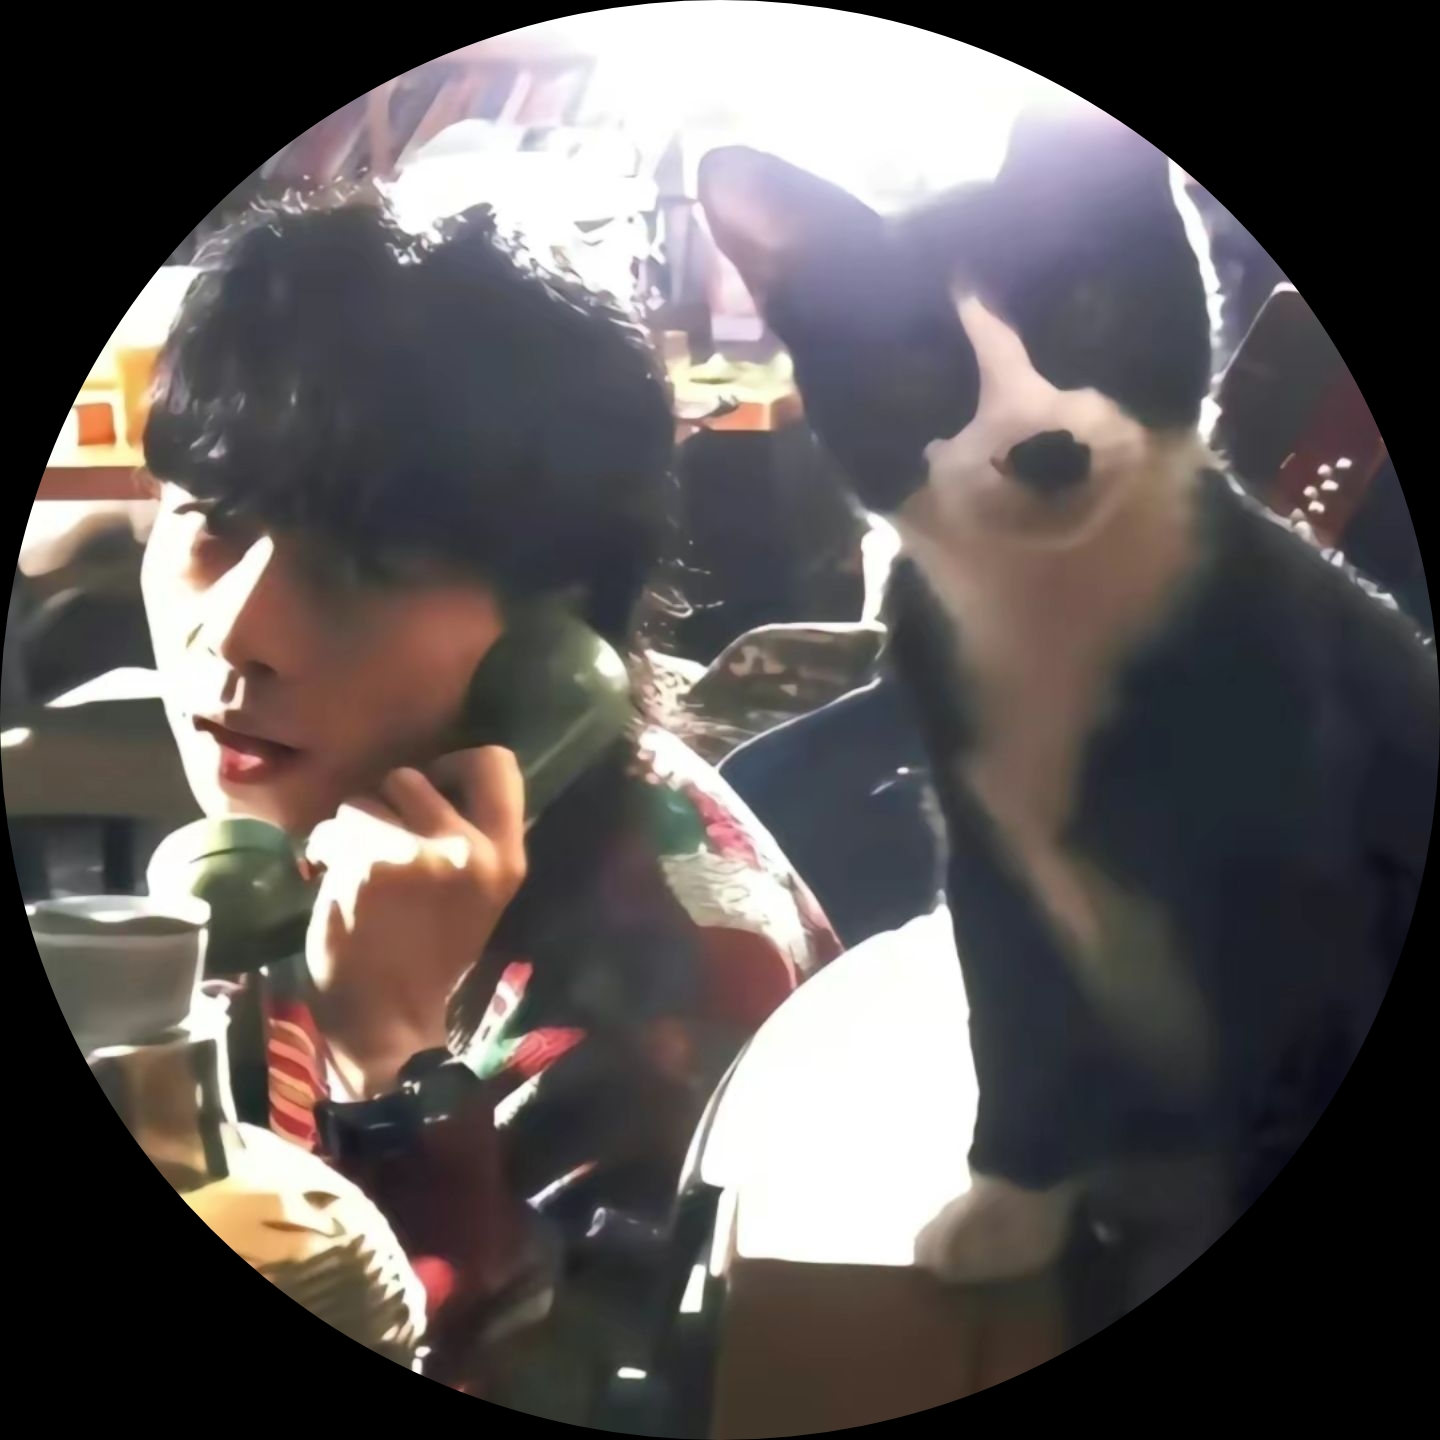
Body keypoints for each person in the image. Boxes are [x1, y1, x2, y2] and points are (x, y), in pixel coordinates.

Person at [139, 194, 840, 1394]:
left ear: (555, 639)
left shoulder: (676, 986)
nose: (239, 633)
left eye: (366, 568)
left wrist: (386, 1061)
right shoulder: (315, 830)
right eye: (210, 525)